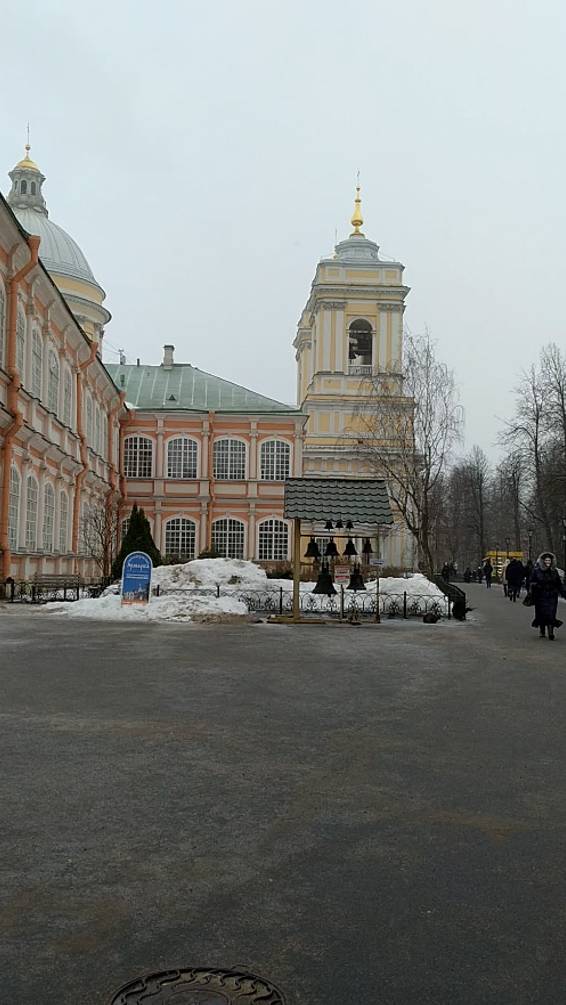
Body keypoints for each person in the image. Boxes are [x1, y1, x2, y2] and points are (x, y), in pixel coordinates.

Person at [530, 552, 566, 640]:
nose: (548, 562)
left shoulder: (554, 572)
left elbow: (559, 584)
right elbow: (531, 581)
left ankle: (550, 632)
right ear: (543, 561)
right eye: (546, 560)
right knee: (542, 614)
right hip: (540, 595)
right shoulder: (537, 571)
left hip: (552, 596)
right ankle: (542, 630)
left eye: (549, 560)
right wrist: (535, 586)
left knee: (551, 614)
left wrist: (564, 593)